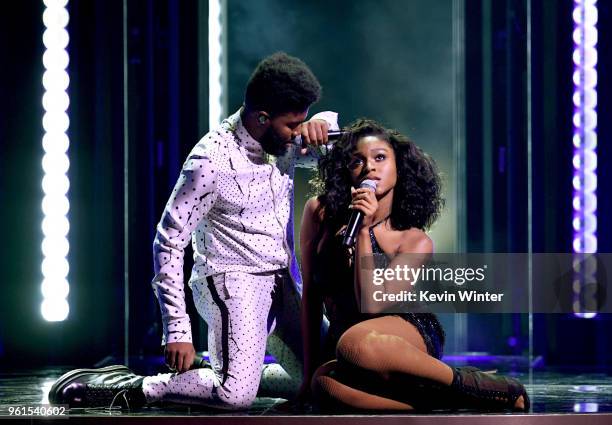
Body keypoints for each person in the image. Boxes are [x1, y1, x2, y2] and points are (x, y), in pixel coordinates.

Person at [48, 52, 338, 410]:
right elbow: (168, 243)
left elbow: (342, 151)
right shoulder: (210, 162)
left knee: (330, 377)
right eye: (293, 124)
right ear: (262, 117)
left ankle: (224, 372)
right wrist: (178, 330)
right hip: (232, 281)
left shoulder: (282, 140)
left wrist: (325, 123)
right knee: (235, 397)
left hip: (280, 279)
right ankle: (133, 387)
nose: (299, 134)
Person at [298, 118, 529, 412]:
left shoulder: (413, 240)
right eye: (357, 161)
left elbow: (371, 304)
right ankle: (449, 398)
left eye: (380, 157)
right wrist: (306, 378)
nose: (369, 167)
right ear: (347, 171)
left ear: (398, 167)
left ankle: (470, 382)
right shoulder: (320, 212)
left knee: (356, 344)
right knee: (324, 385)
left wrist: (365, 232)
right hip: (346, 337)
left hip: (402, 331)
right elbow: (311, 296)